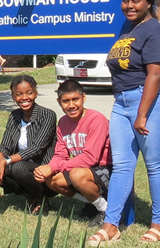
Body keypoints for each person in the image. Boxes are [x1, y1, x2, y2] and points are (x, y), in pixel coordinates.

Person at [87, 0, 160, 246]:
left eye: (136, 1)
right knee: (122, 165)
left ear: (149, 3)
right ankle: (111, 226)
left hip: (151, 99)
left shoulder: (155, 32)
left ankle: (159, 224)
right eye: (126, 0)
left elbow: (155, 74)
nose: (129, 6)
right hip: (122, 100)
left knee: (154, 162)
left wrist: (142, 114)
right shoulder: (128, 27)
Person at [33, 79, 111, 220]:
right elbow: (60, 154)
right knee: (52, 179)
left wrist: (53, 167)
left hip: (106, 169)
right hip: (85, 170)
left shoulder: (96, 119)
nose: (71, 105)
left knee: (76, 175)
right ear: (59, 102)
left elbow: (90, 158)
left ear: (84, 97)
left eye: (75, 99)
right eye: (65, 101)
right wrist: (48, 169)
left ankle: (106, 211)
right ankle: (92, 203)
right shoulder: (63, 122)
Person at [0, 75, 58, 214]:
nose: (24, 97)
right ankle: (30, 195)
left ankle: (42, 197)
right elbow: (6, 144)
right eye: (19, 94)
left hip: (43, 169)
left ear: (35, 93)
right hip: (21, 167)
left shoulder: (48, 115)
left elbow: (36, 148)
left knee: (18, 168)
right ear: (13, 96)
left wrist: (6, 161)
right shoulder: (15, 115)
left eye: (29, 92)